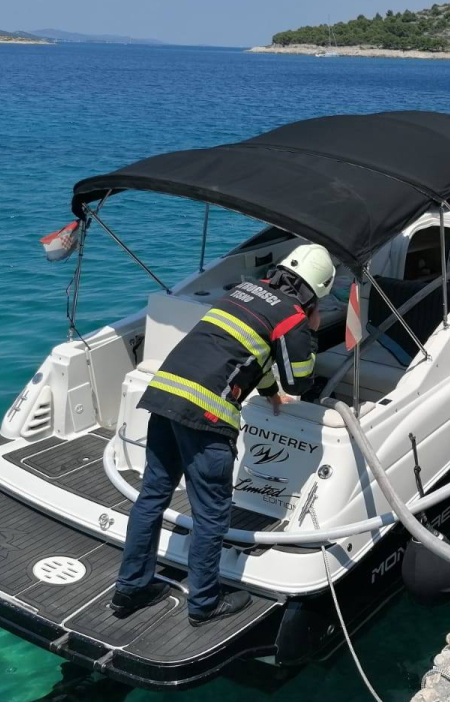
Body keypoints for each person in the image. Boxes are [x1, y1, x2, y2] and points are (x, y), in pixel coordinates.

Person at [112, 244, 334, 625]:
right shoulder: (292, 316)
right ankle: (203, 604)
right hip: (206, 414)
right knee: (212, 515)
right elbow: (300, 379)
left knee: (152, 496)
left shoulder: (244, 292)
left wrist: (267, 393)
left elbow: (243, 351)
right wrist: (310, 333)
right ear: (316, 292)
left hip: (165, 396)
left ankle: (130, 589)